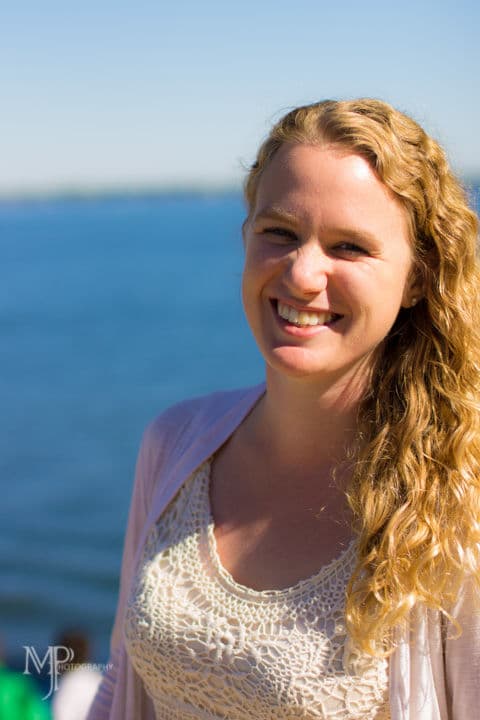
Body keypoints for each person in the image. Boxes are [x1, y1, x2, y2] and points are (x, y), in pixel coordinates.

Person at [87, 99, 480, 720]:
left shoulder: (455, 504)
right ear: (246, 238)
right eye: (280, 233)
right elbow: (117, 686)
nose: (302, 274)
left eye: (349, 246)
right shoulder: (175, 444)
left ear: (418, 279)